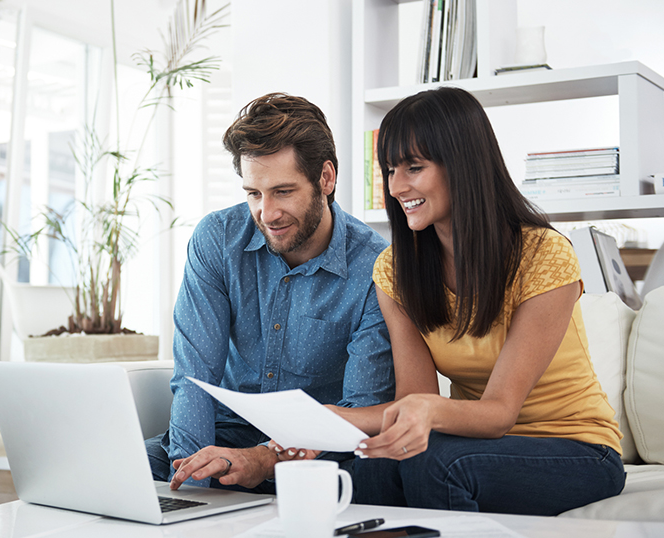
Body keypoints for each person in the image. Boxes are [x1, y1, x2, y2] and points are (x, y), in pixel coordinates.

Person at [291, 86, 625, 516]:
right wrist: (332, 419)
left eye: (414, 167)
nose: (396, 186)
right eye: (391, 169)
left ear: (463, 165)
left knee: (436, 466)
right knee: (365, 466)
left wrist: (413, 414)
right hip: (477, 445)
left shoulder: (544, 254)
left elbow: (500, 413)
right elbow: (414, 399)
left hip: (576, 449)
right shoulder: (395, 270)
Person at [144, 92, 395, 494]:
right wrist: (190, 479)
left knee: (373, 479)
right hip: (221, 437)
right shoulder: (218, 240)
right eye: (253, 194)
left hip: (315, 456)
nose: (267, 213)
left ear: (326, 179)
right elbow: (194, 376)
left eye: (283, 191)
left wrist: (264, 458)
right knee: (120, 471)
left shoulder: (375, 268)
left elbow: (359, 408)